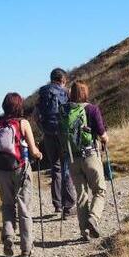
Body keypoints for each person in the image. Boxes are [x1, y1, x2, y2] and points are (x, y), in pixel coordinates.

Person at [0, 92, 43, 257]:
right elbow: (33, 151)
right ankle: (26, 249)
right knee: (24, 206)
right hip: (20, 168)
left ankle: (9, 237)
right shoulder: (23, 123)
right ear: (19, 105)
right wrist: (39, 155)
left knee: (7, 205)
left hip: (1, 169)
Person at [62, 81, 109, 240]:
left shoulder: (65, 111)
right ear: (85, 92)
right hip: (90, 155)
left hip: (73, 158)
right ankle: (93, 218)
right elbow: (102, 134)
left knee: (81, 195)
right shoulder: (92, 109)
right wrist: (105, 139)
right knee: (99, 190)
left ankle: (85, 232)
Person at [36, 68, 76, 218]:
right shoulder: (66, 92)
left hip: (48, 135)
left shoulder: (43, 93)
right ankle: (69, 207)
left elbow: (36, 116)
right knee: (67, 167)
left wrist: (43, 130)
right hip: (63, 134)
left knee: (55, 168)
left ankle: (57, 205)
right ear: (63, 79)